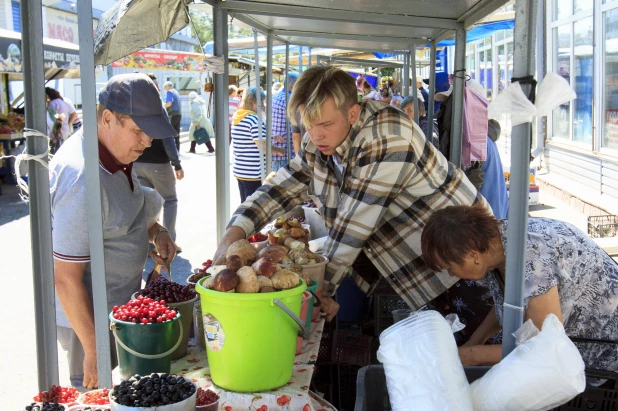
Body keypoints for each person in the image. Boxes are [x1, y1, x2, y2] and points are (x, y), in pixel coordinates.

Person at [213, 66, 483, 321]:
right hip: (404, 254)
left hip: (461, 259)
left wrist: (317, 289)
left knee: (451, 348)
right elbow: (282, 187)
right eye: (309, 125)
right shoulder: (319, 137)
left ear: (352, 114)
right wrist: (234, 232)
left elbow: (352, 228)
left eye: (326, 124)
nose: (316, 136)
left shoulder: (388, 137)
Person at [50, 73, 178, 389]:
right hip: (89, 324)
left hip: (118, 312)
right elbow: (65, 278)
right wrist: (94, 349)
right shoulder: (82, 181)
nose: (147, 141)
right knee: (95, 397)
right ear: (107, 119)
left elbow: (122, 211)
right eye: (138, 131)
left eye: (149, 133)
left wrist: (156, 230)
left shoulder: (116, 149)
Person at [421, 204, 618, 372]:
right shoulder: (497, 244)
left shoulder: (532, 257)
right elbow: (508, 303)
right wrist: (475, 341)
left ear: (472, 255)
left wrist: (472, 356)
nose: (451, 275)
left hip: (606, 353)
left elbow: (545, 343)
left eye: (449, 267)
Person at [134, 74, 185, 248]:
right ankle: (168, 241)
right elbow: (167, 138)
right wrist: (176, 163)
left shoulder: (130, 107)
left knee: (144, 203)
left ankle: (148, 241)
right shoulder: (156, 107)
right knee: (169, 200)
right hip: (158, 163)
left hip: (135, 163)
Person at [231, 87, 266, 202]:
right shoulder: (254, 120)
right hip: (253, 172)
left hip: (241, 170)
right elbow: (263, 147)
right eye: (262, 102)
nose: (263, 106)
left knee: (245, 204)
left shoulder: (238, 116)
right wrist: (280, 150)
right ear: (255, 102)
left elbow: (248, 138)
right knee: (253, 208)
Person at [271, 72, 300, 170]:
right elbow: (296, 129)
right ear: (292, 86)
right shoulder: (290, 100)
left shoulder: (275, 97)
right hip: (287, 150)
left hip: (276, 150)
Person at [163, 81, 182, 150]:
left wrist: (162, 106)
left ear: (167, 86)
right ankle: (177, 149)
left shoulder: (170, 92)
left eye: (165, 88)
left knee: (170, 133)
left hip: (173, 114)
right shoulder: (176, 92)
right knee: (177, 133)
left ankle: (171, 150)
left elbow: (169, 103)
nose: (165, 89)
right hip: (179, 114)